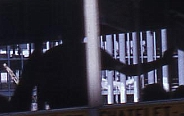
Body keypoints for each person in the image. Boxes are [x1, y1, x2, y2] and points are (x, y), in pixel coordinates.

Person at [10, 42, 174, 111]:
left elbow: (30, 88)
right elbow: (129, 70)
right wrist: (162, 62)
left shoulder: (52, 54)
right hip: (86, 111)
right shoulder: (91, 52)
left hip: (58, 114)